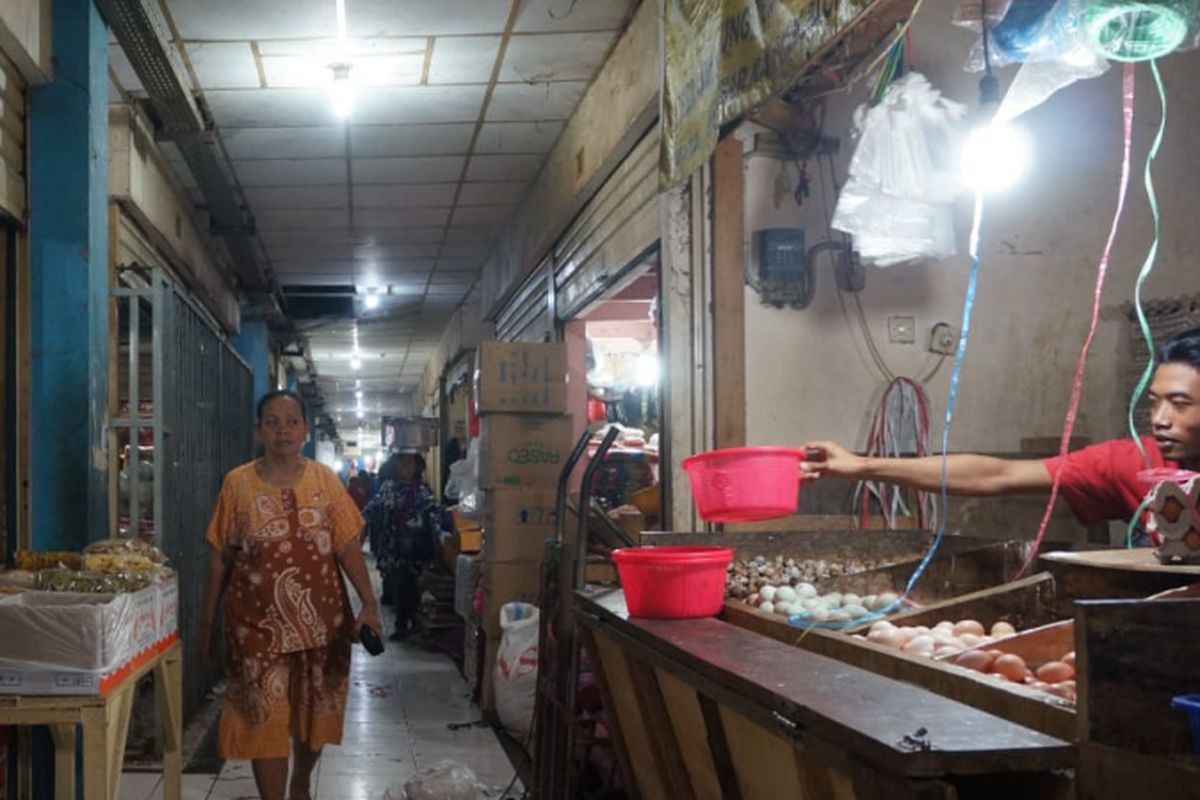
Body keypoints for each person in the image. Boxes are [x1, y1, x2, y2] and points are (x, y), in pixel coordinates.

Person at [801, 327, 1200, 539]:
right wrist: (862, 466)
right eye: (1153, 402)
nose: (1160, 419)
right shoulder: (1136, 463)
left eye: (1179, 404)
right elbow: (998, 475)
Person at [199, 390, 383, 800]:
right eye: (272, 422)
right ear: (259, 430)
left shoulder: (325, 481)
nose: (282, 430)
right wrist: (207, 623)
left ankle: (300, 782)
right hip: (254, 627)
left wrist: (369, 604)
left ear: (304, 428)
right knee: (263, 714)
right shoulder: (237, 484)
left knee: (313, 712)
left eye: (291, 421)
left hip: (324, 624)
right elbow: (218, 558)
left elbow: (348, 545)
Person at [363, 452, 439, 641]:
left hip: (415, 547)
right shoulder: (388, 488)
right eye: (402, 464)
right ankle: (403, 624)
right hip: (393, 546)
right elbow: (372, 508)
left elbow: (433, 517)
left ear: (417, 467)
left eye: (410, 464)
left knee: (414, 586)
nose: (405, 468)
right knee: (398, 585)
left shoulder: (422, 490)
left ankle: (412, 622)